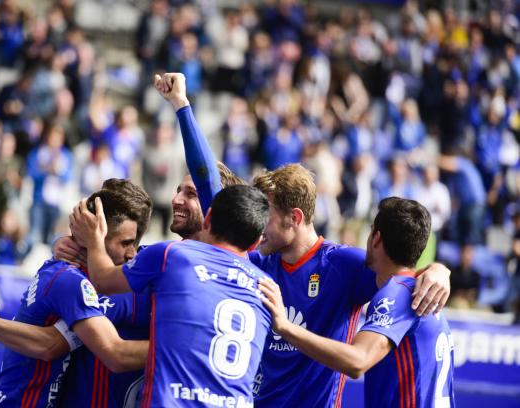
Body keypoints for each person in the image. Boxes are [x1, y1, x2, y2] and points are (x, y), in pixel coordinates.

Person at [153, 72, 451, 407]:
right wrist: (182, 106)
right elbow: (212, 191)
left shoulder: (346, 266)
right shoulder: (257, 260)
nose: (256, 223)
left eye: (266, 214)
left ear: (294, 218)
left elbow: (402, 273)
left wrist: (439, 270)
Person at [0, 179, 153, 408]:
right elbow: (54, 347)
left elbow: (51, 338)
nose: (132, 254)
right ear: (96, 234)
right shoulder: (72, 281)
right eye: (125, 243)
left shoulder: (68, 270)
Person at [75, 185, 272, 407]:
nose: (177, 199)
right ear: (255, 243)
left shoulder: (172, 255)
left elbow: (102, 280)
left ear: (207, 219)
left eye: (190, 193)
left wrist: (93, 240)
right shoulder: (268, 288)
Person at [259, 197, 455, 408]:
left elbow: (358, 361)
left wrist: (286, 327)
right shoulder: (421, 288)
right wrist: (441, 269)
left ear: (376, 238)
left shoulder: (397, 294)